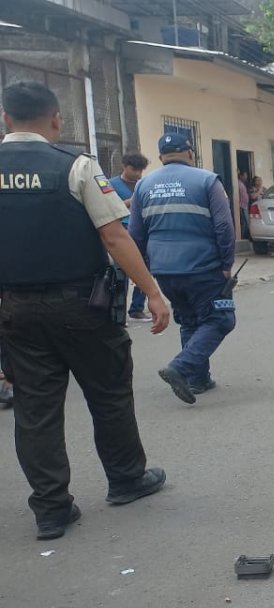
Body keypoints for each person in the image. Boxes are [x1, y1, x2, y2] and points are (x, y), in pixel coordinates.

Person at [0, 81, 170, 540]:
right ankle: (126, 479)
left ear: (5, 119)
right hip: (83, 306)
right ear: (56, 119)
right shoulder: (75, 167)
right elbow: (114, 236)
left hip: (15, 309)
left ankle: (51, 510)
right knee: (109, 393)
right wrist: (152, 292)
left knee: (35, 411)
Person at [129, 133, 236, 405]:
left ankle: (198, 379)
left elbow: (136, 235)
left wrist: (144, 274)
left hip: (164, 270)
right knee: (221, 318)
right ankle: (181, 367)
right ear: (190, 153)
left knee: (189, 320)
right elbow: (224, 226)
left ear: (162, 156)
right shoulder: (207, 180)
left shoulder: (143, 185)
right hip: (203, 267)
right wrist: (226, 263)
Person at [108, 152, 151, 321]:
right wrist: (129, 202)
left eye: (141, 170)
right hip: (121, 230)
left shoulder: (144, 184)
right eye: (134, 169)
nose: (138, 174)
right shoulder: (111, 185)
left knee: (144, 269)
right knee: (121, 272)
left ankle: (137, 308)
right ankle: (118, 312)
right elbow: (106, 209)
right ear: (124, 166)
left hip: (142, 231)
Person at [237, 170, 251, 240]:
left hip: (245, 205)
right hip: (242, 206)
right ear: (241, 176)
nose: (246, 177)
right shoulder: (238, 183)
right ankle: (243, 237)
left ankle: (245, 236)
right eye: (245, 176)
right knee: (244, 222)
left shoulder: (242, 184)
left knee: (246, 222)